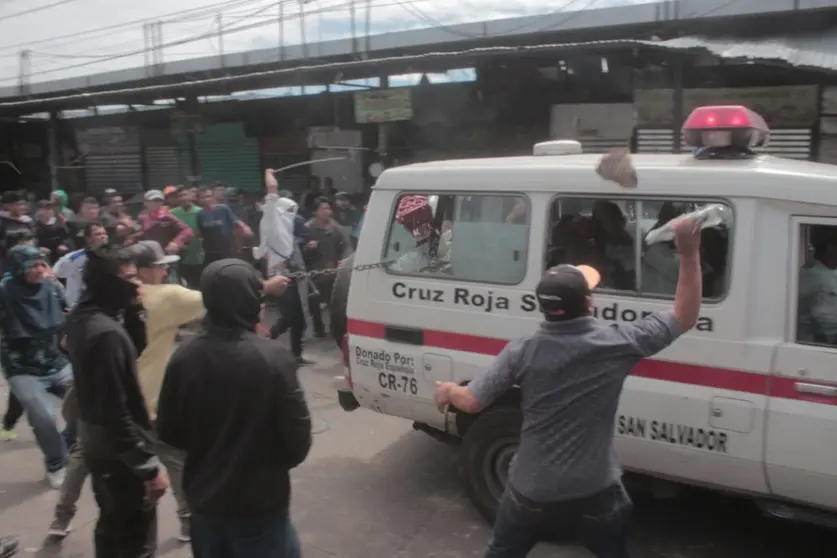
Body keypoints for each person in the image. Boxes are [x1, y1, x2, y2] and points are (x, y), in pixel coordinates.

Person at [434, 216, 704, 558]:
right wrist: (689, 253)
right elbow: (685, 314)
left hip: (530, 491)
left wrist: (447, 391)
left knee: (502, 552)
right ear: (589, 305)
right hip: (597, 492)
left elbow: (472, 401)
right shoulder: (618, 343)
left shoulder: (523, 350)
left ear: (544, 309)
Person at [156, 258, 308, 558]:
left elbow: (170, 433)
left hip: (205, 507)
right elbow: (298, 442)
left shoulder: (183, 357)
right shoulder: (273, 358)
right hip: (260, 510)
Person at [66, 245, 168, 558]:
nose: (138, 284)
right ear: (108, 283)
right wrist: (148, 469)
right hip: (118, 454)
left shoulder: (86, 316)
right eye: (129, 278)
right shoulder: (105, 333)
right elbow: (116, 412)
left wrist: (136, 312)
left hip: (100, 445)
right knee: (133, 536)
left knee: (112, 525)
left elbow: (130, 354)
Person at [0, 245, 72, 488]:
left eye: (42, 264)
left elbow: (68, 311)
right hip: (22, 368)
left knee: (89, 404)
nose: (40, 270)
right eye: (33, 266)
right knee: (44, 418)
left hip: (57, 362)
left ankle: (66, 445)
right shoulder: (4, 293)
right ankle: (56, 463)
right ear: (18, 269)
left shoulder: (51, 287)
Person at [255, 175, 316, 365]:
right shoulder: (273, 224)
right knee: (290, 316)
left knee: (298, 318)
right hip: (281, 277)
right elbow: (272, 197)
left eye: (293, 211)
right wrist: (270, 176)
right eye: (288, 211)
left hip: (294, 275)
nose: (292, 214)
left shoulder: (285, 231)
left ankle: (296, 355)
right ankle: (265, 341)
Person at [304, 197, 353, 337]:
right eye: (323, 209)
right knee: (314, 302)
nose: (327, 212)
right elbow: (299, 248)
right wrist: (308, 248)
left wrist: (344, 260)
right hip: (314, 272)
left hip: (333, 272)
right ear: (315, 212)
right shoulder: (308, 228)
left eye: (328, 208)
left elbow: (347, 246)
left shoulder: (336, 228)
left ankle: (334, 328)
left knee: (335, 303)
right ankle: (318, 328)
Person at [52, 222, 109, 308]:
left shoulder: (113, 257)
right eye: (98, 234)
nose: (103, 237)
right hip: (80, 307)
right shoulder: (74, 257)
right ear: (88, 239)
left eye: (105, 233)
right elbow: (55, 274)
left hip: (104, 304)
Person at [196, 186, 252, 265]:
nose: (206, 199)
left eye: (208, 196)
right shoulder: (200, 214)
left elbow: (235, 220)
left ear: (212, 197)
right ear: (199, 200)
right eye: (203, 197)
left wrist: (244, 227)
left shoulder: (223, 209)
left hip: (226, 250)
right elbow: (200, 233)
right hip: (210, 251)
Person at [170, 186, 204, 289]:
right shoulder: (173, 213)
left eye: (186, 195)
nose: (184, 198)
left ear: (191, 196)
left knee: (197, 285)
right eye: (181, 196)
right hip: (180, 256)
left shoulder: (201, 212)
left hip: (198, 254)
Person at [0, 191, 34, 262]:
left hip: (28, 261)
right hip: (7, 262)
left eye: (23, 204)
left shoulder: (27, 221)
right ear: (7, 206)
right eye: (18, 204)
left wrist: (32, 243)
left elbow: (34, 237)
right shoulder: (2, 221)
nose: (22, 207)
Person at [34, 201, 71, 265]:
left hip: (58, 254)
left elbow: (66, 237)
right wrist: (38, 248)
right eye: (47, 209)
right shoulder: (36, 226)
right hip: (43, 255)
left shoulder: (59, 225)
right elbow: (34, 239)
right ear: (40, 211)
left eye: (51, 209)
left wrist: (64, 244)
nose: (50, 211)